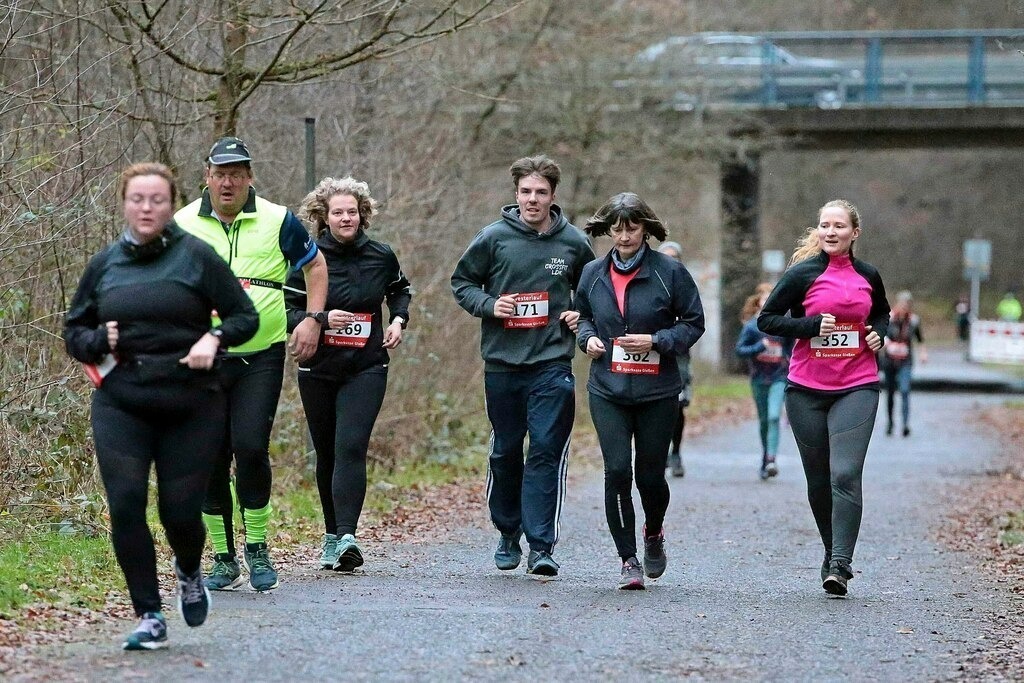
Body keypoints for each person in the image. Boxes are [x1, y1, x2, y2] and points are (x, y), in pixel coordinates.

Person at [63, 163, 259, 650]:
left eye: (156, 199)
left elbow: (245, 317)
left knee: (180, 513)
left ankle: (190, 571)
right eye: (137, 199)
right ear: (125, 204)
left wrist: (214, 338)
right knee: (126, 504)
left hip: (190, 402)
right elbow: (74, 332)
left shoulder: (197, 257)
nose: (146, 208)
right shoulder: (105, 263)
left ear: (172, 205)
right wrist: (95, 340)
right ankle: (149, 614)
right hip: (122, 401)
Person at [175, 137, 328, 592]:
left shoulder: (279, 219)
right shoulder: (181, 224)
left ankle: (257, 546)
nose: (228, 181)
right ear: (207, 176)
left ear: (249, 178)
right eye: (221, 173)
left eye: (237, 174)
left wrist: (314, 320)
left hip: (259, 353)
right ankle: (223, 557)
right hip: (202, 358)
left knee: (251, 447)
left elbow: (315, 267)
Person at [451, 154, 595, 578]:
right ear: (516, 194)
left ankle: (541, 546)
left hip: (552, 362)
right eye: (526, 192)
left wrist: (580, 317)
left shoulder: (572, 243)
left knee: (547, 452)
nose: (533, 200)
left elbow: (592, 290)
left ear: (553, 196)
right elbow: (461, 284)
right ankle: (508, 531)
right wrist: (491, 305)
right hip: (502, 363)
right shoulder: (493, 238)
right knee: (507, 450)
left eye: (541, 193)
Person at [758, 199, 889, 597]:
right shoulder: (802, 275)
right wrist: (810, 325)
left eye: (838, 226)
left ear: (855, 233)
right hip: (806, 389)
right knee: (818, 478)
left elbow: (881, 313)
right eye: (824, 226)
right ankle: (831, 549)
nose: (830, 232)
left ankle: (840, 564)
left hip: (857, 384)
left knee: (844, 473)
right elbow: (767, 319)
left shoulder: (869, 275)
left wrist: (878, 333)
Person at [575, 193, 705, 589]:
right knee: (616, 471)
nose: (625, 235)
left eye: (633, 227)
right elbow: (582, 316)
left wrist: (657, 340)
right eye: (618, 227)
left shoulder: (670, 272)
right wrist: (588, 339)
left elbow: (694, 324)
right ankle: (628, 558)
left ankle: (653, 532)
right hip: (607, 388)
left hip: (656, 391)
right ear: (608, 229)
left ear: (646, 228)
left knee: (650, 476)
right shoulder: (592, 273)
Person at [284, 177, 411, 572]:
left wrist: (399, 320)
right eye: (337, 212)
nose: (345, 218)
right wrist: (318, 319)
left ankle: (347, 536)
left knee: (351, 446)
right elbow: (286, 310)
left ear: (363, 214)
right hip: (319, 368)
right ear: (324, 216)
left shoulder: (380, 254)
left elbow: (400, 289)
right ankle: (330, 536)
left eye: (352, 212)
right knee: (326, 453)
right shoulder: (307, 257)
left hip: (366, 366)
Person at [735, 283, 793, 480]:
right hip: (759, 378)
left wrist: (789, 360)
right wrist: (759, 347)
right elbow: (740, 350)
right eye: (765, 298)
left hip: (779, 376)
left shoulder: (783, 324)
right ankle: (764, 457)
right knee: (764, 421)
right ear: (759, 302)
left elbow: (791, 348)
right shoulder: (752, 326)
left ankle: (771, 459)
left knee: (774, 417)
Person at [657, 241, 694, 478]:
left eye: (674, 257)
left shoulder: (685, 285)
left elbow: (693, 321)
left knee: (677, 407)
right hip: (651, 353)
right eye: (665, 257)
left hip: (678, 356)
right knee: (656, 407)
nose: (670, 261)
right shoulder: (648, 281)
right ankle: (658, 455)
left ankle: (676, 453)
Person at [880, 291, 927, 437]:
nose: (904, 307)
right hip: (889, 360)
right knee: (890, 393)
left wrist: (923, 353)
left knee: (905, 390)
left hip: (905, 361)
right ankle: (890, 422)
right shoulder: (889, 318)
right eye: (902, 304)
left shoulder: (913, 321)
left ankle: (905, 424)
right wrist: (886, 344)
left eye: (907, 304)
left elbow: (920, 339)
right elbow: (881, 335)